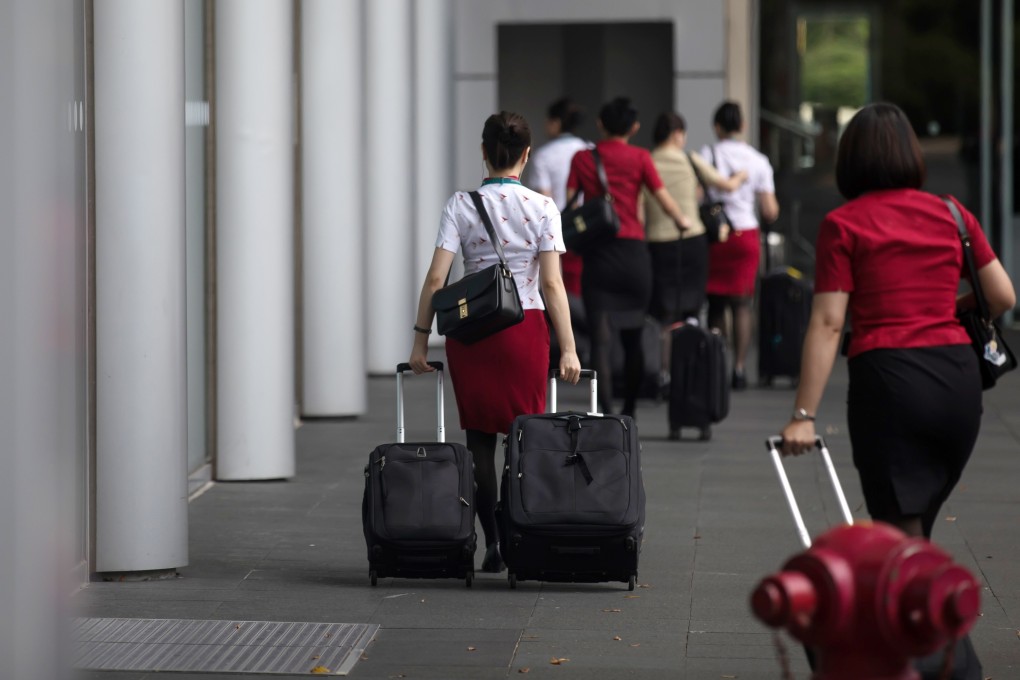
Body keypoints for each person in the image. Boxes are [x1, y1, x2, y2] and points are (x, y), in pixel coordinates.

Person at [778, 102, 1015, 538]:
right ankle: (916, 597)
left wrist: (804, 414)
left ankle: (920, 602)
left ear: (851, 159)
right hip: (958, 385)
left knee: (899, 529)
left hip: (890, 382)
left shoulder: (843, 224)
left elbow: (830, 323)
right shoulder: (952, 213)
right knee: (914, 526)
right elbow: (1002, 295)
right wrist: (946, 308)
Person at [409, 111, 582, 574]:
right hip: (524, 329)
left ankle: (493, 540)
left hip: (472, 332)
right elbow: (552, 286)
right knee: (524, 435)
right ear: (526, 156)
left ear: (483, 152)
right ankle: (518, 526)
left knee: (480, 438)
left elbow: (435, 279)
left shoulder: (460, 205)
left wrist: (421, 341)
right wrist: (568, 347)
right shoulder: (544, 208)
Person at [566, 96, 692, 416]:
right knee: (634, 337)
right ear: (635, 127)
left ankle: (606, 412)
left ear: (600, 124)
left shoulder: (582, 159)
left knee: (601, 341)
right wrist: (683, 221)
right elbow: (664, 200)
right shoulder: (640, 158)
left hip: (599, 256)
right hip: (634, 257)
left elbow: (571, 205)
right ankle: (631, 410)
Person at [644, 111, 747, 391]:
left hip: (658, 242)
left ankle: (663, 375)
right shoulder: (690, 159)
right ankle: (693, 374)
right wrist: (741, 175)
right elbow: (725, 185)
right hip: (692, 241)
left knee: (664, 314)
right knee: (691, 310)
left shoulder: (648, 161)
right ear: (678, 134)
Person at [700, 101, 779, 390]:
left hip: (716, 237)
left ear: (717, 127)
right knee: (743, 304)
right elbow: (770, 210)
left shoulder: (707, 154)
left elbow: (697, 196)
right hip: (746, 235)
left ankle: (716, 365)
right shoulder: (758, 160)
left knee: (716, 304)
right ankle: (740, 368)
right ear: (743, 126)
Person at [527, 97, 591, 364]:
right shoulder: (590, 150)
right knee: (581, 290)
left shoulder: (543, 155)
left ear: (555, 122)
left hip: (557, 231)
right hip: (587, 231)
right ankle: (582, 350)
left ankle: (560, 352)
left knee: (555, 289)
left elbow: (544, 199)